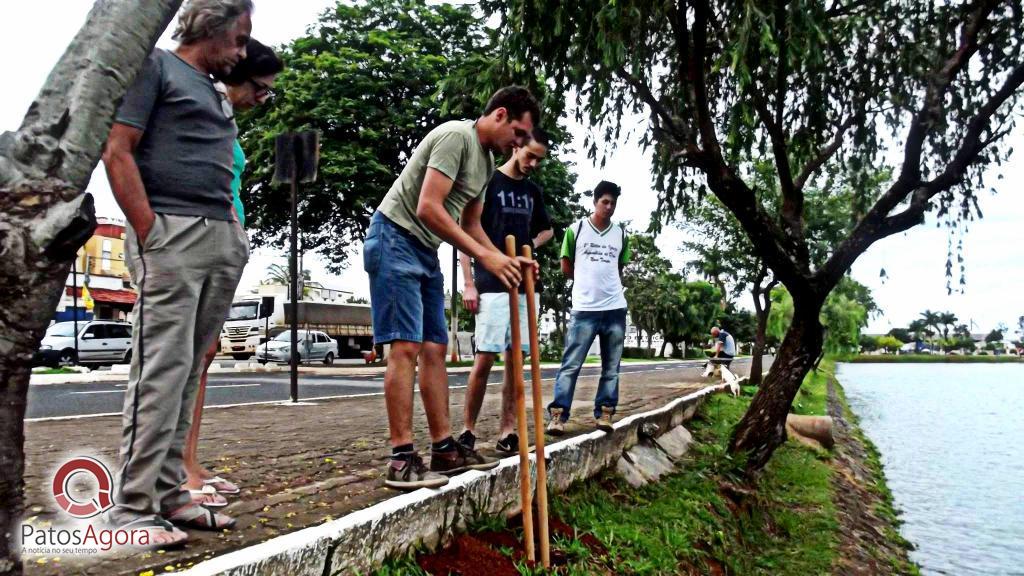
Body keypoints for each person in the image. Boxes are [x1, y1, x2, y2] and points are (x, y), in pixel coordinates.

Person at [102, 0, 254, 546]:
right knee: (160, 370)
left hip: (218, 235)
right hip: (171, 233)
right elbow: (117, 150)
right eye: (237, 40)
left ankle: (170, 496)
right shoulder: (154, 66)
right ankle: (132, 508)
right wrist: (150, 232)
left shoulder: (210, 86)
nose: (240, 53)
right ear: (210, 28)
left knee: (188, 371)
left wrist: (234, 234)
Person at [364, 86, 540, 490]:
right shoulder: (455, 137)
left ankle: (444, 449)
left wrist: (504, 259)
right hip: (394, 238)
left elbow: (473, 223)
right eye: (517, 133)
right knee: (405, 347)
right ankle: (401, 457)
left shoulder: (485, 162)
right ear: (498, 114)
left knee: (435, 349)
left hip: (424, 248)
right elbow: (429, 206)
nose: (518, 144)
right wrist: (486, 258)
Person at [181, 38, 283, 510]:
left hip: (223, 245)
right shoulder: (196, 109)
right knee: (178, 362)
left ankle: (189, 460)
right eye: (262, 89)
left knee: (201, 359)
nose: (263, 99)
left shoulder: (226, 125)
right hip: (188, 246)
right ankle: (174, 470)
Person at [458, 128, 554, 455]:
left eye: (539, 160)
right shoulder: (489, 182)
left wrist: (530, 248)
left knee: (517, 360)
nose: (533, 164)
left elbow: (547, 228)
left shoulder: (532, 191)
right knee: (485, 357)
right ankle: (468, 431)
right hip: (491, 283)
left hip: (526, 284)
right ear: (516, 148)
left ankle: (507, 430)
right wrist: (468, 283)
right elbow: (465, 233)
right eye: (530, 157)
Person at [546, 181, 631, 436]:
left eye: (613, 203)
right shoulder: (576, 230)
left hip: (615, 308)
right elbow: (565, 267)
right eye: (605, 201)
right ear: (594, 201)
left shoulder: (621, 234)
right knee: (571, 364)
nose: (609, 207)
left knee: (611, 366)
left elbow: (619, 269)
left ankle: (605, 412)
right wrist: (585, 285)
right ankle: (558, 416)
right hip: (584, 309)